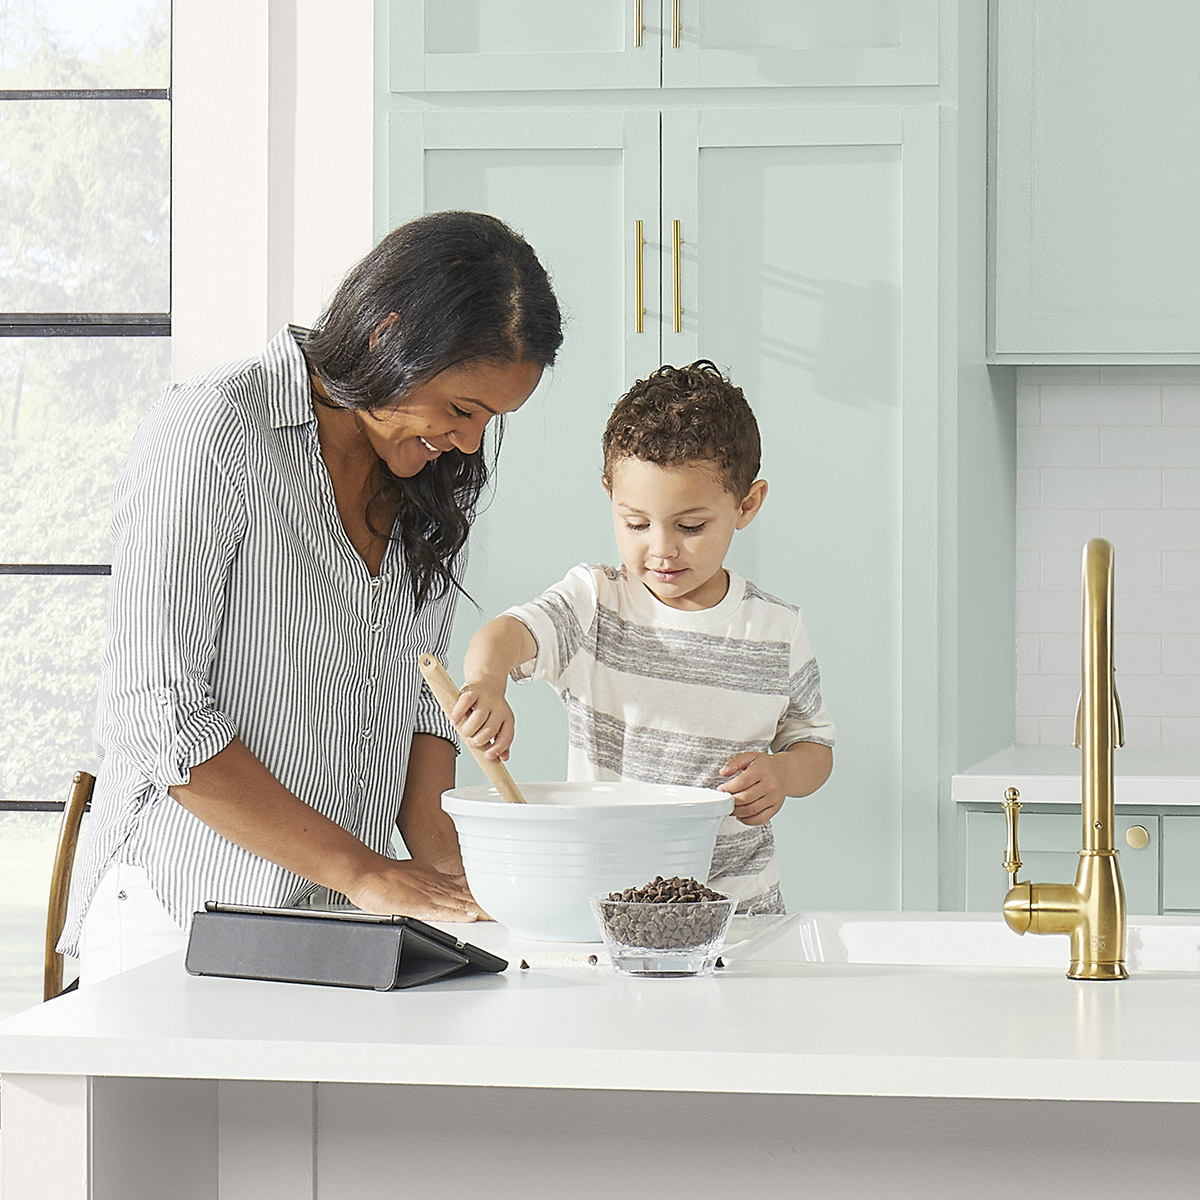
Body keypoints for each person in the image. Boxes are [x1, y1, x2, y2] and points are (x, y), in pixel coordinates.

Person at [63, 211, 563, 983]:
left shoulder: (425, 486)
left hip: (331, 925)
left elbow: (420, 702)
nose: (469, 443)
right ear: (388, 335)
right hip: (174, 918)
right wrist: (367, 872)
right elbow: (155, 712)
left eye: (491, 421)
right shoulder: (212, 432)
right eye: (463, 409)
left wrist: (453, 882)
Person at [452, 361, 834, 914]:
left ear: (746, 505)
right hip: (612, 911)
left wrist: (782, 774)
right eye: (636, 523)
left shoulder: (776, 629)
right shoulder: (595, 604)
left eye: (691, 526)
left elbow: (814, 746)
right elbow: (505, 634)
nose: (662, 549)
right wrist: (486, 682)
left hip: (740, 913)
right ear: (609, 495)